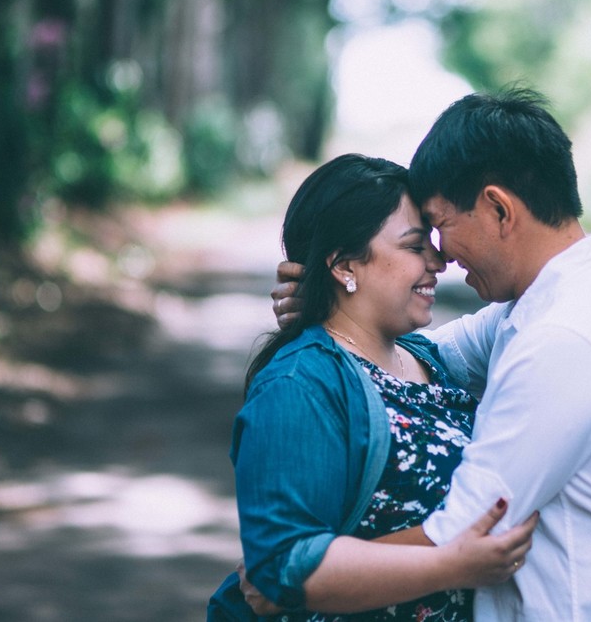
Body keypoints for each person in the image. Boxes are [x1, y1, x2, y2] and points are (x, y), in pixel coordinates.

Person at [266, 89, 591, 620]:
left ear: (497, 209)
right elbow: (419, 363)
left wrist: (290, 581)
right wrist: (335, 307)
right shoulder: (550, 303)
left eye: (439, 225)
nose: (440, 257)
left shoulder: (564, 336)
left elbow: (465, 531)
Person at [206, 153, 537, 621]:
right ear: (345, 266)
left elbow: (544, 301)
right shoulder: (299, 386)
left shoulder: (426, 359)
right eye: (413, 245)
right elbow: (281, 568)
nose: (439, 261)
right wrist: (448, 565)